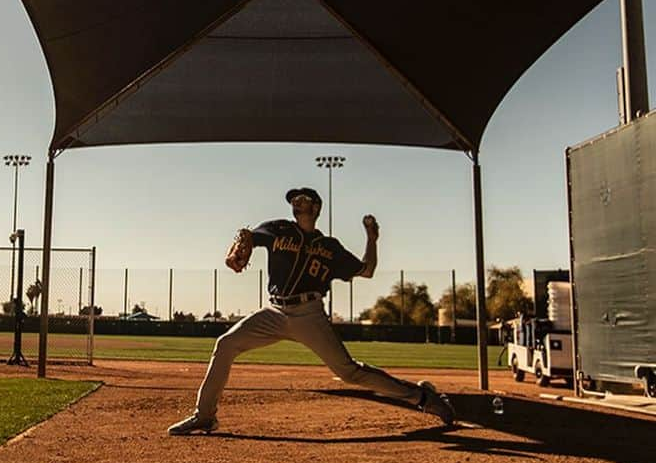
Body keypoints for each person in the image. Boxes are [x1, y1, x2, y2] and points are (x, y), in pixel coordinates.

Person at [168, 186, 456, 434]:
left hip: (309, 314)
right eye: (294, 200)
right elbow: (249, 237)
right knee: (226, 343)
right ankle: (205, 416)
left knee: (350, 372)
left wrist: (372, 239)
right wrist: (236, 249)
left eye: (303, 198)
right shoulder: (279, 228)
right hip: (275, 311)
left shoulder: (329, 247)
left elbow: (367, 270)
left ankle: (424, 397)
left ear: (316, 207)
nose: (297, 202)